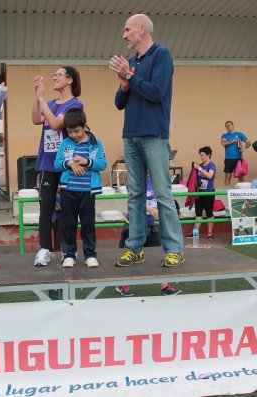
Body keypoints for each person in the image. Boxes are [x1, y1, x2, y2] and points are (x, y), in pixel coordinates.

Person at [109, 13, 185, 268]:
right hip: (131, 136)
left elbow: (155, 92)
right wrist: (124, 84)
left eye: (128, 29)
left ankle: (174, 249)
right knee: (135, 195)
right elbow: (120, 103)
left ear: (142, 29)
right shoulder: (131, 62)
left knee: (163, 194)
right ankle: (135, 248)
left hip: (154, 135)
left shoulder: (161, 55)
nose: (124, 34)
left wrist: (130, 78)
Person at [31, 66, 83, 267]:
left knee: (68, 208)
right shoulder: (50, 103)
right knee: (46, 207)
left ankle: (68, 250)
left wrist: (42, 100)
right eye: (54, 75)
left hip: (67, 163)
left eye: (59, 75)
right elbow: (37, 119)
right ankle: (44, 249)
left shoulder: (75, 104)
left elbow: (54, 124)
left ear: (69, 80)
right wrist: (38, 97)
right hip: (47, 162)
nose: (55, 77)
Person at [53, 108, 106, 268]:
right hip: (68, 191)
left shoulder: (96, 144)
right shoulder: (65, 144)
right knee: (68, 223)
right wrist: (70, 164)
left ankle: (90, 254)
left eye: (76, 131)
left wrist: (86, 161)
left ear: (84, 126)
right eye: (70, 132)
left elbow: (102, 164)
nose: (74, 135)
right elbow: (57, 163)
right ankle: (69, 254)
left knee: (88, 224)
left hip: (88, 192)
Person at [115, 175, 182, 297]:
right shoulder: (134, 179)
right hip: (133, 226)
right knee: (130, 256)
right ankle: (123, 283)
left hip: (152, 225)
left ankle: (164, 286)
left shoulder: (157, 179)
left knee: (157, 256)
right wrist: (150, 209)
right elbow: (135, 199)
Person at [193, 146, 216, 239]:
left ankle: (210, 232)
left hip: (209, 192)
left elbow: (210, 176)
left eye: (203, 155)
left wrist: (199, 169)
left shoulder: (212, 165)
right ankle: (195, 232)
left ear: (208, 155)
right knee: (198, 212)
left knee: (209, 212)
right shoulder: (200, 165)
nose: (201, 157)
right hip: (199, 193)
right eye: (200, 155)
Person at [220, 121, 251, 185]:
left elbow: (248, 143)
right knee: (228, 176)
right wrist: (233, 140)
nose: (228, 126)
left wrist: (244, 148)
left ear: (233, 125)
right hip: (228, 159)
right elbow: (223, 143)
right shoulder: (224, 135)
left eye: (230, 125)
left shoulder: (240, 134)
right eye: (227, 126)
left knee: (240, 176)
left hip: (238, 158)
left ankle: (241, 192)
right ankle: (226, 193)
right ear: (226, 128)